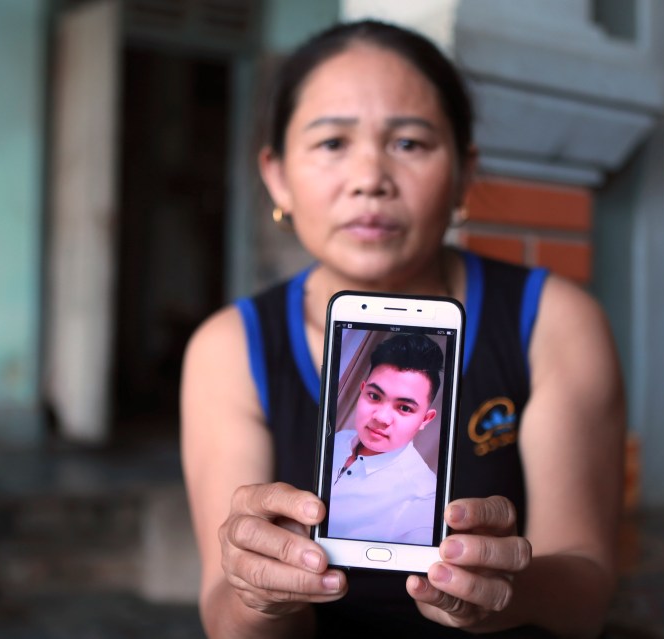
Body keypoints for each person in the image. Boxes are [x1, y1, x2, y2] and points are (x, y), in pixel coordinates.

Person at [181, 18, 625, 639]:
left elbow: (585, 599)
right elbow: (225, 621)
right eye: (332, 143)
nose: (370, 179)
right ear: (278, 174)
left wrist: (504, 589)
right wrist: (257, 593)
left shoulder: (556, 322)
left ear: (464, 174)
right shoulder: (228, 348)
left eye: (410, 143)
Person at [328, 333, 443, 545]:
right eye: (374, 396)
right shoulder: (336, 441)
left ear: (425, 419)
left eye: (404, 408)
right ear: (362, 391)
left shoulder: (425, 497)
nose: (381, 418)